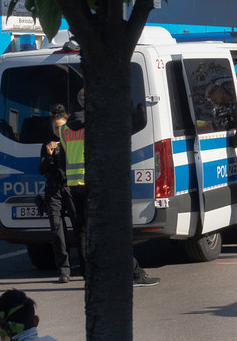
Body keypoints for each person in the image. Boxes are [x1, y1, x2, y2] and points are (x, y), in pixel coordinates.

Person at [58, 89, 160, 286]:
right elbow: (131, 128)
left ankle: (91, 276)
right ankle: (135, 274)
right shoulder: (101, 124)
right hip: (98, 187)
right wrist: (139, 112)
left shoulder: (65, 129)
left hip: (75, 187)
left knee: (84, 233)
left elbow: (64, 160)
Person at [38, 105, 78, 284]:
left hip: (71, 188)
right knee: (57, 230)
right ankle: (64, 270)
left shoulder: (74, 140)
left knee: (80, 228)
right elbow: (41, 169)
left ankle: (87, 266)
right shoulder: (48, 144)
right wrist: (49, 155)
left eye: (62, 127)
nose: (58, 130)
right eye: (56, 127)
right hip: (53, 190)